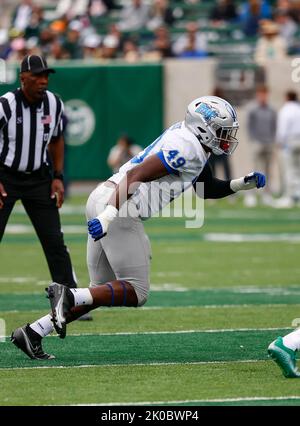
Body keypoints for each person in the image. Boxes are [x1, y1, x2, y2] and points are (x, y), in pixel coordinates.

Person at [11, 96, 266, 360]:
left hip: (105, 196)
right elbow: (136, 176)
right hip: (120, 206)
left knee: (97, 290)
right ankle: (67, 295)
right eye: (222, 132)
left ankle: (32, 332)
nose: (226, 138)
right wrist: (109, 216)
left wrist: (239, 184)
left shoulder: (191, 142)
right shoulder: (189, 148)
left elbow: (206, 188)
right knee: (137, 291)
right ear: (205, 127)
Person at [0, 55, 78, 302]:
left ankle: (69, 298)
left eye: (46, 76)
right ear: (23, 78)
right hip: (5, 178)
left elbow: (56, 140)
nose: (43, 81)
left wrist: (58, 176)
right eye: (37, 76)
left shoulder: (54, 104)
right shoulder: (6, 105)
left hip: (39, 179)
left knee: (54, 240)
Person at [245, 85, 276, 206]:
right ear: (258, 95)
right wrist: (253, 140)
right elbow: (250, 126)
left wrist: (272, 140)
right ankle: (251, 195)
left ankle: (266, 194)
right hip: (257, 142)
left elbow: (274, 126)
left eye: (265, 94)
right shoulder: (253, 110)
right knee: (255, 170)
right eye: (261, 94)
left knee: (268, 170)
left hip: (268, 142)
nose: (263, 97)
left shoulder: (271, 110)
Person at [275, 90, 300, 207]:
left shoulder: (286, 110)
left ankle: (289, 196)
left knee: (289, 170)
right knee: (298, 170)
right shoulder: (298, 109)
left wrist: (280, 142)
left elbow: (282, 129)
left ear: (287, 97)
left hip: (290, 141)